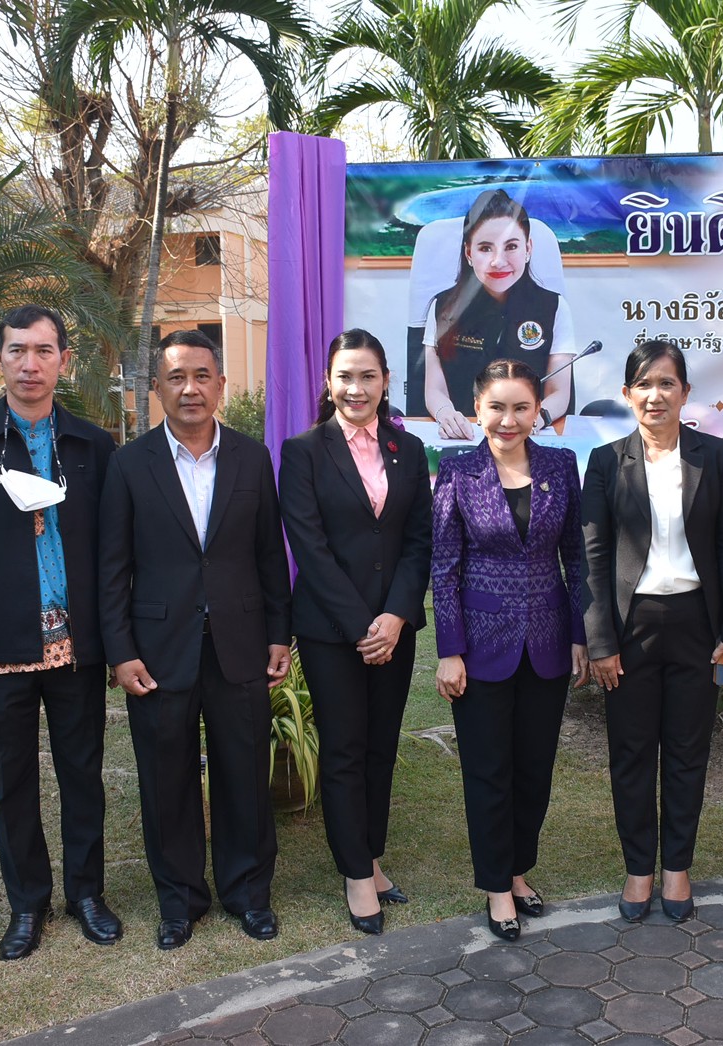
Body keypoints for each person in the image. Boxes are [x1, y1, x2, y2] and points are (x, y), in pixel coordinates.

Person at [0, 303, 122, 961]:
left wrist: (114, 642)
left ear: (64, 360)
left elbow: (114, 554)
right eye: (17, 350)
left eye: (43, 351)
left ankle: (87, 895)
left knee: (82, 776)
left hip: (76, 646)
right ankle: (27, 904)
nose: (30, 364)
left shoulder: (94, 447)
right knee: (13, 782)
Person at [98, 329, 292, 950]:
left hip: (240, 643)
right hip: (158, 652)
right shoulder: (129, 464)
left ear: (221, 385)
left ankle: (249, 894)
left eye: (202, 376)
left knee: (245, 775)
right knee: (166, 780)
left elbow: (269, 555)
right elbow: (112, 569)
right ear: (157, 388)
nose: (190, 389)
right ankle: (179, 902)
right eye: (176, 377)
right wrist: (121, 651)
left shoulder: (251, 458)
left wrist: (279, 635)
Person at [580, 340, 723, 923]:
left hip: (697, 626)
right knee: (631, 754)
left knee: (687, 751)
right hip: (631, 629)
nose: (655, 395)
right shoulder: (606, 462)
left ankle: (677, 867)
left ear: (685, 393)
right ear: (627, 394)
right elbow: (593, 557)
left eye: (667, 383)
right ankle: (639, 869)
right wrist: (600, 642)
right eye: (643, 384)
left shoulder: (712, 455)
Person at [279, 329, 433, 936]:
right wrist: (363, 626)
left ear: (386, 381)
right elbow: (309, 548)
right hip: (331, 630)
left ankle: (371, 855)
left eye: (368, 376)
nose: (356, 388)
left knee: (380, 747)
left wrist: (394, 617)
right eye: (345, 376)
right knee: (344, 749)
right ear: (328, 382)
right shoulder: (303, 451)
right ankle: (355, 874)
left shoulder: (409, 448)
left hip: (394, 628)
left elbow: (418, 540)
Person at [430, 358, 588, 940]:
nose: (508, 419)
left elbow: (577, 557)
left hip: (547, 643)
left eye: (521, 407)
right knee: (488, 771)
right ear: (477, 410)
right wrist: (450, 650)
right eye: (496, 407)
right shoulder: (457, 470)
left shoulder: (560, 466)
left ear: (537, 411)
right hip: (479, 648)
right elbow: (443, 566)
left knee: (534, 770)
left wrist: (580, 634)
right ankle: (497, 887)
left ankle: (519, 871)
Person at [423, 189, 576, 438]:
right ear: (469, 253)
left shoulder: (554, 307)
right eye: (485, 248)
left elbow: (559, 391)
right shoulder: (443, 306)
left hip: (528, 434)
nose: (498, 261)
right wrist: (445, 414)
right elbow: (434, 388)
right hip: (464, 434)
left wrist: (536, 418)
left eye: (511, 246)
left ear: (528, 249)